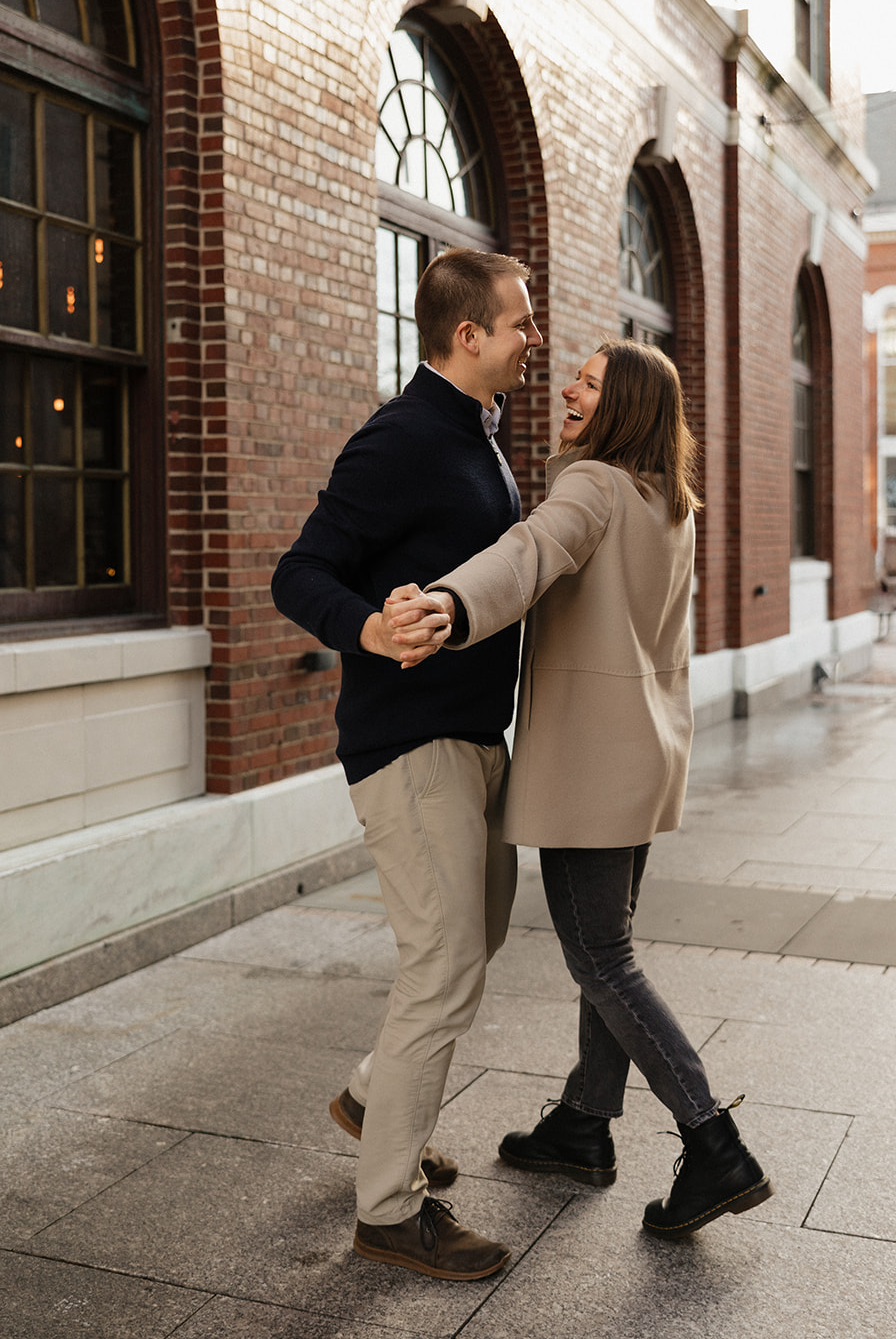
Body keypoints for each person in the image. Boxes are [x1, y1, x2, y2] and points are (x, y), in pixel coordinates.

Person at [386, 339, 773, 1238]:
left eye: (590, 384)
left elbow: (528, 552)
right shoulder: (664, 500)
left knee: (602, 960)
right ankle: (583, 1124)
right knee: (608, 951)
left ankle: (713, 1144)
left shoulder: (592, 487)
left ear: (623, 406)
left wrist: (448, 602)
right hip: (644, 753)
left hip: (593, 762)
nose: (568, 387)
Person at [271, 247, 543, 1280]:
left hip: (474, 737)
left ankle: (371, 1099)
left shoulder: (475, 432)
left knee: (462, 955)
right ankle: (389, 1208)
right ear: (465, 334)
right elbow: (299, 571)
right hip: (409, 745)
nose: (532, 336)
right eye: (518, 322)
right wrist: (367, 634)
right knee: (439, 964)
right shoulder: (398, 439)